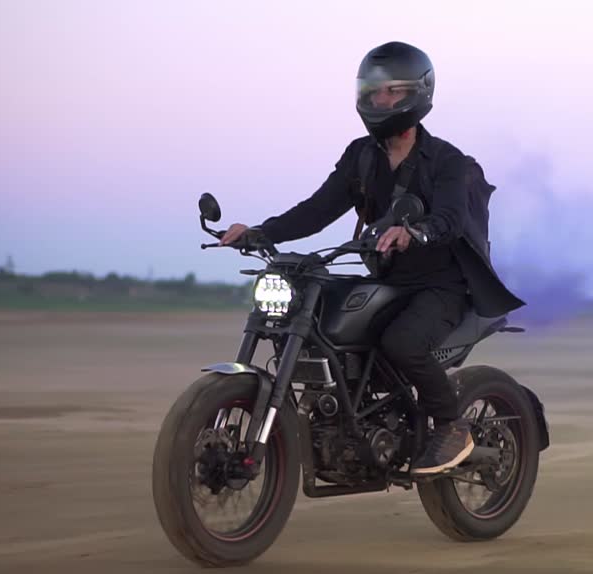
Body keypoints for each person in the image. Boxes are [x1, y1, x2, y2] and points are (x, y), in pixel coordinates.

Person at [218, 41, 525, 475]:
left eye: (392, 91)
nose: (380, 100)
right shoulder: (361, 157)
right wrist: (259, 231)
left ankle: (452, 425)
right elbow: (318, 208)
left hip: (442, 285)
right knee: (323, 316)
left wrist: (414, 232)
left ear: (416, 93)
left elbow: (452, 218)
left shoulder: (448, 161)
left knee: (401, 343)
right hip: (388, 279)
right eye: (374, 90)